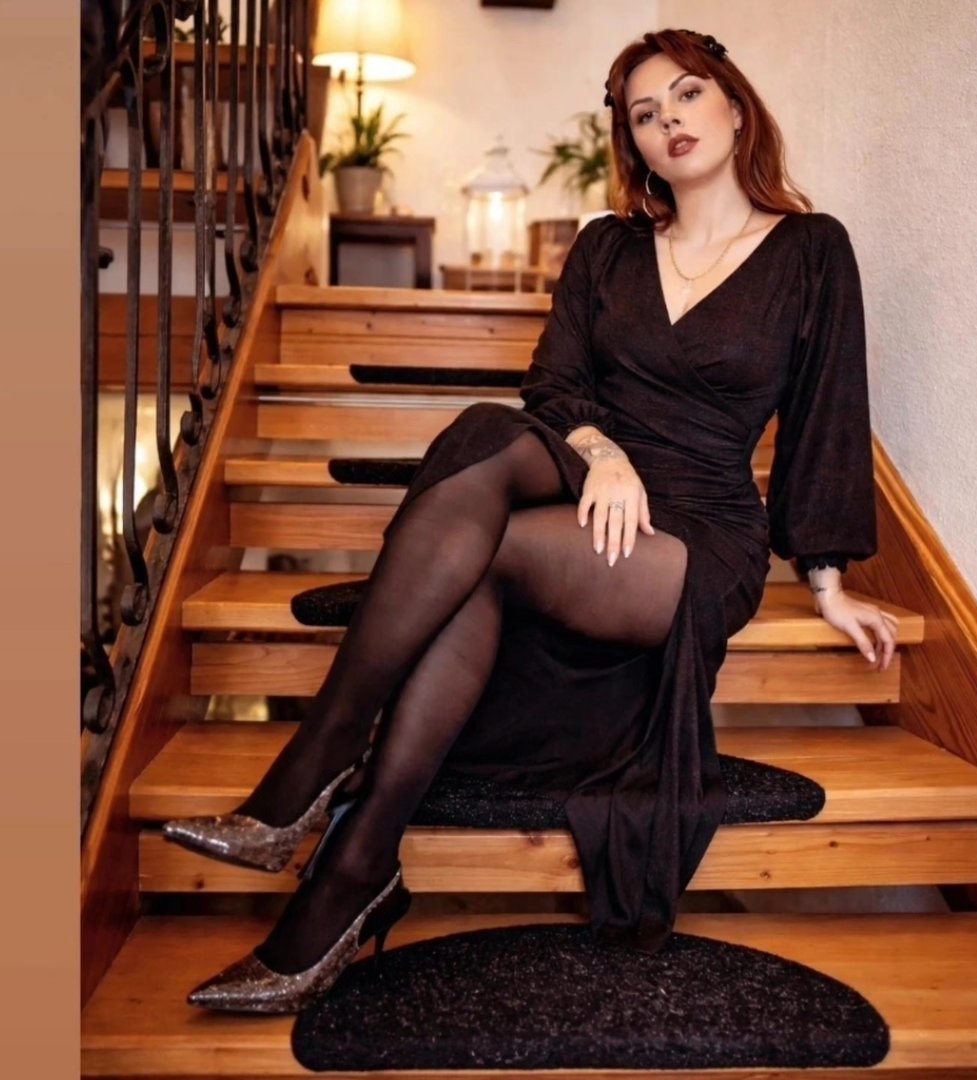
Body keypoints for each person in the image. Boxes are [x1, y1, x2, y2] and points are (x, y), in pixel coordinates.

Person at [164, 28, 899, 1014]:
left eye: (688, 95)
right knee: (485, 432)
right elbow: (553, 386)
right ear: (632, 142)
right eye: (645, 113)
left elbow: (825, 414)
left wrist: (828, 581)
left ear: (735, 106)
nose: (670, 121)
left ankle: (328, 808)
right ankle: (346, 840)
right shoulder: (608, 248)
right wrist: (605, 452)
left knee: (481, 555)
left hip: (697, 532)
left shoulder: (811, 250)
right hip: (594, 483)